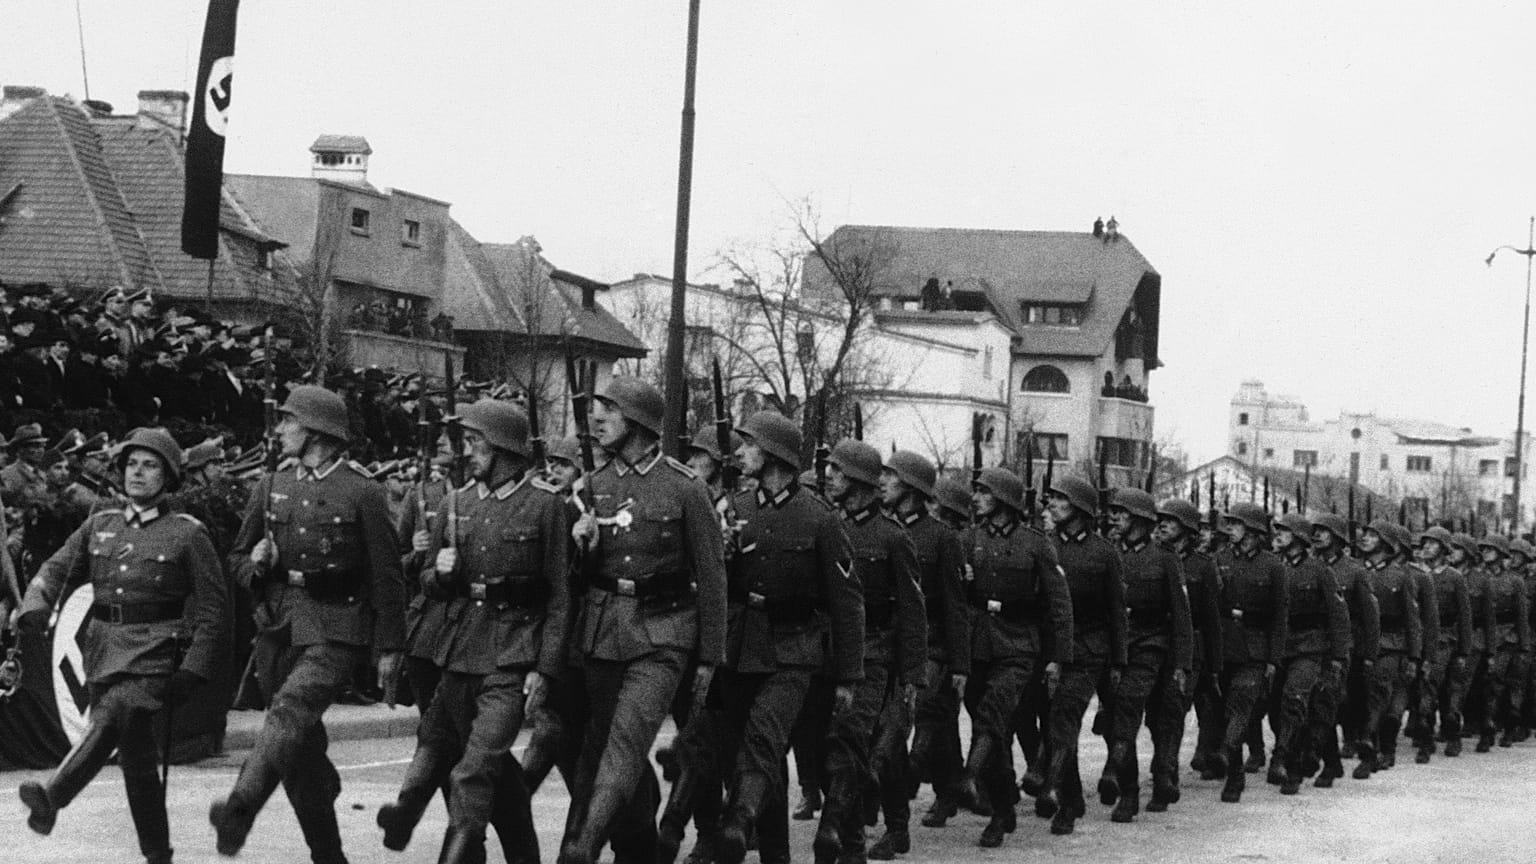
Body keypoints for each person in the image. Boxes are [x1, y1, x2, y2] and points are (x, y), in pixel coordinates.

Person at [209, 385, 407, 863]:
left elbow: (387, 575)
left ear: (316, 431)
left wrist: (390, 648)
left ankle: (241, 806)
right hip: (280, 626)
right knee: (297, 754)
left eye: (288, 421)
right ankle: (329, 855)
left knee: (288, 714)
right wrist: (255, 564)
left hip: (339, 626)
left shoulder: (362, 491)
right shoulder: (272, 484)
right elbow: (235, 558)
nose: (279, 430)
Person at [15, 428, 230, 864]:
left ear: (168, 476)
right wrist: (34, 607)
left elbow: (213, 609)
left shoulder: (187, 534)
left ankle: (54, 796)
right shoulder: (101, 524)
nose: (137, 472)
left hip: (155, 654)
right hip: (103, 650)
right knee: (137, 764)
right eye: (131, 463)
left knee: (115, 715)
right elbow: (55, 571)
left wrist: (194, 668)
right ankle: (157, 854)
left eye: (150, 465)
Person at [378, 399, 570, 863]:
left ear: (504, 448)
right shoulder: (455, 502)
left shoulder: (545, 506)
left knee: (476, 767)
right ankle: (415, 815)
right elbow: (425, 580)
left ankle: (461, 850)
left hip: (512, 654)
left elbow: (560, 595)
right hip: (457, 649)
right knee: (437, 744)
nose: (468, 453)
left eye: (477, 444)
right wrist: (441, 573)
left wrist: (545, 669)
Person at [561, 376, 727, 864]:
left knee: (625, 743)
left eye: (608, 410)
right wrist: (583, 545)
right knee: (599, 749)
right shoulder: (594, 485)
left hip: (662, 635)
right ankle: (640, 849)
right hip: (602, 630)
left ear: (636, 421)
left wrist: (709, 657)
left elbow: (712, 576)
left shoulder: (684, 488)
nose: (597, 418)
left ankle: (582, 848)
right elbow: (579, 579)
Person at [698, 411, 861, 864]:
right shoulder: (736, 508)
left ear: (773, 455)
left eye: (749, 445)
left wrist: (848, 675)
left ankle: (739, 822)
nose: (740, 452)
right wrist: (724, 554)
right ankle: (775, 853)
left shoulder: (820, 518)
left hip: (794, 650)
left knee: (763, 740)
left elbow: (846, 602)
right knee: (748, 754)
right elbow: (715, 584)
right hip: (739, 646)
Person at [812, 440, 925, 864]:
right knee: (830, 751)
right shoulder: (826, 525)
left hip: (874, 654)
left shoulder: (893, 538)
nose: (830, 479)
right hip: (826, 651)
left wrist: (911, 677)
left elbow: (914, 612)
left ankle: (830, 829)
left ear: (858, 481)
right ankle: (853, 845)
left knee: (849, 740)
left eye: (838, 473)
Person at [957, 467, 1071, 846]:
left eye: (983, 492)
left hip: (1019, 648)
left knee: (992, 716)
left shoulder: (1036, 544)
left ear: (1004, 500)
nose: (975, 498)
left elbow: (1058, 604)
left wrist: (1058, 656)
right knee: (992, 731)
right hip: (978, 647)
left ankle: (968, 777)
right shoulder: (969, 538)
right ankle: (1003, 806)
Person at [879, 451, 967, 851]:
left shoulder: (943, 538)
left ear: (912, 489)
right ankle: (949, 786)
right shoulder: (882, 528)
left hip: (931, 646)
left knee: (915, 724)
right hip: (885, 645)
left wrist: (959, 664)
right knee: (928, 727)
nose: (882, 482)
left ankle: (900, 808)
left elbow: (954, 605)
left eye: (890, 477)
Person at [1035, 476, 1123, 835]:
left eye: (1060, 500)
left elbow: (1117, 611)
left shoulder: (1104, 553)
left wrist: (1118, 660)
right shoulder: (1045, 545)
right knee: (1052, 722)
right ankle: (1071, 797)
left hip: (1089, 650)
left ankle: (1054, 787)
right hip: (1049, 649)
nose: (1051, 506)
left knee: (1064, 716)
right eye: (1051, 499)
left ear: (1080, 510)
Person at [1101, 488, 1191, 821]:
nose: (1115, 519)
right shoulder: (1109, 553)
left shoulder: (1165, 558)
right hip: (1114, 647)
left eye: (1121, 513)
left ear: (1139, 519)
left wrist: (1183, 663)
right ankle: (1130, 789)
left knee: (1133, 707)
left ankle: (1147, 777)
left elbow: (1182, 615)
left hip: (1152, 646)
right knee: (1113, 719)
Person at [1146, 499, 1222, 810]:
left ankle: (1165, 774)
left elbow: (1212, 619)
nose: (1162, 524)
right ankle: (1164, 764)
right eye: (1161, 519)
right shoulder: (1150, 558)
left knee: (1172, 713)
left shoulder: (1203, 566)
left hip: (1190, 651)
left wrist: (1215, 666)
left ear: (1187, 530)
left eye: (1171, 521)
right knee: (1152, 716)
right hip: (1153, 645)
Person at [1269, 512, 1350, 795]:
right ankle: (1328, 760)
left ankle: (1286, 763)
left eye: (1284, 531)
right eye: (1276, 530)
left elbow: (1338, 617)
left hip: (1311, 649)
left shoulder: (1319, 571)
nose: (1277, 535)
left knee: (1296, 701)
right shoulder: (1274, 567)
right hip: (1279, 649)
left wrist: (1338, 659)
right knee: (1278, 711)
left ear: (1299, 539)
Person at [1215, 503, 1288, 803]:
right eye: (1228, 523)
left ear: (1254, 531)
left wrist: (1273, 659)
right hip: (1223, 647)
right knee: (1221, 712)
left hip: (1255, 650)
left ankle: (1228, 761)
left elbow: (1280, 616)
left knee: (1241, 708)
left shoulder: (1273, 566)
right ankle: (1233, 770)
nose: (1229, 528)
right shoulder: (1218, 560)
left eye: (1236, 523)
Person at [1310, 514, 1380, 781]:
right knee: (1323, 705)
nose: (1316, 535)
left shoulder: (1355, 571)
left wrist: (1369, 655)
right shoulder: (1310, 566)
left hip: (1348, 648)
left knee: (1352, 704)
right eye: (1315, 530)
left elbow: (1370, 618)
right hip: (1316, 645)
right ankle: (1331, 762)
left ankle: (1366, 753)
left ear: (1337, 538)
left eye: (1323, 531)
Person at [1408, 526, 1470, 763]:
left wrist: (1464, 650)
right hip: (1419, 635)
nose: (1426, 547)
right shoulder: (1414, 574)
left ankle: (1446, 735)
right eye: (1425, 542)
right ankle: (1425, 733)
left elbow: (1465, 617)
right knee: (1421, 688)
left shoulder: (1455, 577)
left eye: (1433, 543)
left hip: (1445, 639)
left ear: (1444, 550)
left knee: (1438, 688)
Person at [1480, 537, 1530, 749]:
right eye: (1484, 549)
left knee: (1502, 685)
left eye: (1491, 549)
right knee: (1485, 686)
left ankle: (1503, 728)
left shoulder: (1515, 581)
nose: (1486, 553)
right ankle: (1487, 726)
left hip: (1506, 638)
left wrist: (1524, 646)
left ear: (1500, 554)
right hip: (1480, 637)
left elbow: (1522, 616)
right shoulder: (1477, 577)